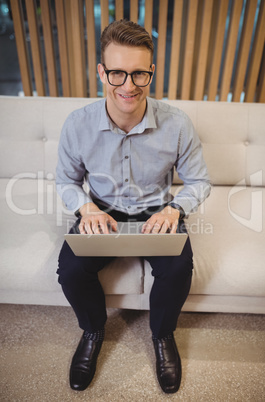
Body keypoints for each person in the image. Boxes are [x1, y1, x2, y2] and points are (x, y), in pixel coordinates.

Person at [56, 19, 211, 394]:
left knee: (178, 270)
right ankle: (93, 330)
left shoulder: (177, 124)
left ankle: (162, 336)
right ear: (101, 72)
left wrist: (174, 210)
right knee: (70, 270)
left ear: (151, 72)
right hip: (102, 211)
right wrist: (86, 209)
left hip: (156, 211)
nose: (129, 85)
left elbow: (199, 182)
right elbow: (66, 181)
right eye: (117, 73)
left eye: (139, 74)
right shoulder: (77, 125)